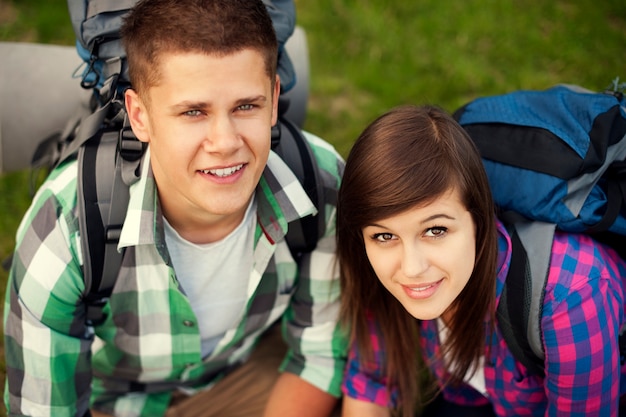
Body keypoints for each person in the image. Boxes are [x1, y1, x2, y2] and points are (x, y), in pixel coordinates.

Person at [3, 0, 347, 416]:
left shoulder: (320, 182)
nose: (224, 142)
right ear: (139, 115)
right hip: (115, 401)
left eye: (245, 106)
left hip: (248, 374)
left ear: (274, 99)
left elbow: (321, 355)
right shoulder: (67, 226)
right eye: (193, 112)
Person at [336, 105, 626, 416]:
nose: (411, 268)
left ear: (479, 219)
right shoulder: (379, 269)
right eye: (384, 236)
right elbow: (370, 383)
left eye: (435, 230)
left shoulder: (570, 296)